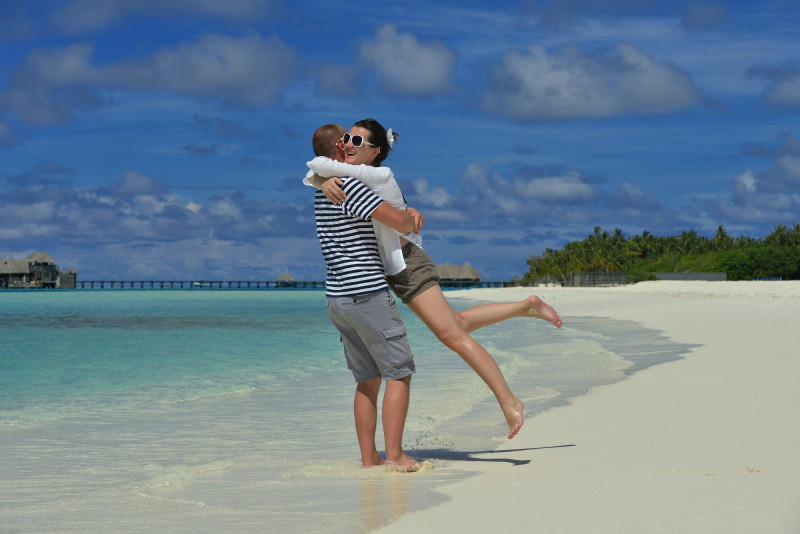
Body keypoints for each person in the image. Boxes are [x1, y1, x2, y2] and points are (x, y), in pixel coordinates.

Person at [306, 118, 563, 439]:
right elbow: (320, 169)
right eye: (346, 139)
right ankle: (525, 307)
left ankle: (509, 401)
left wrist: (320, 178)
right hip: (385, 269)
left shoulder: (373, 175)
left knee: (452, 336)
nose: (347, 145)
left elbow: (322, 169)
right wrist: (321, 180)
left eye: (356, 141)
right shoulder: (351, 174)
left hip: (407, 265)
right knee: (457, 324)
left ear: (375, 152)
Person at [310, 123, 426, 472]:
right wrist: (411, 216)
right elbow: (400, 224)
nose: (350, 144)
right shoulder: (351, 187)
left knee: (367, 379)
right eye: (346, 139)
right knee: (399, 373)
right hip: (367, 293)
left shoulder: (323, 190)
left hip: (337, 297)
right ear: (338, 149)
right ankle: (396, 456)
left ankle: (369, 459)